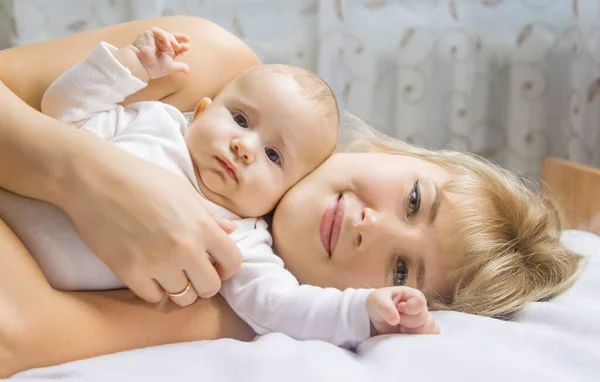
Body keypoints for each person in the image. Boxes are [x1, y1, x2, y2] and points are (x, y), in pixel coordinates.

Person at [0, 17, 582, 377]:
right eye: (411, 199)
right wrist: (88, 175)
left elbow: (11, 335)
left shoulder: (230, 287)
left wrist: (364, 318)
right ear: (395, 153)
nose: (369, 228)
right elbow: (62, 104)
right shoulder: (213, 72)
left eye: (401, 267)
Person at [14, 24, 439, 348]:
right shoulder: (154, 121)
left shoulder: (241, 241)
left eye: (274, 157)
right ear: (200, 113)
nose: (245, 147)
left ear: (283, 193)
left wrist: (361, 311)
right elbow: (60, 113)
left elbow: (282, 307)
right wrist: (123, 69)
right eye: (240, 119)